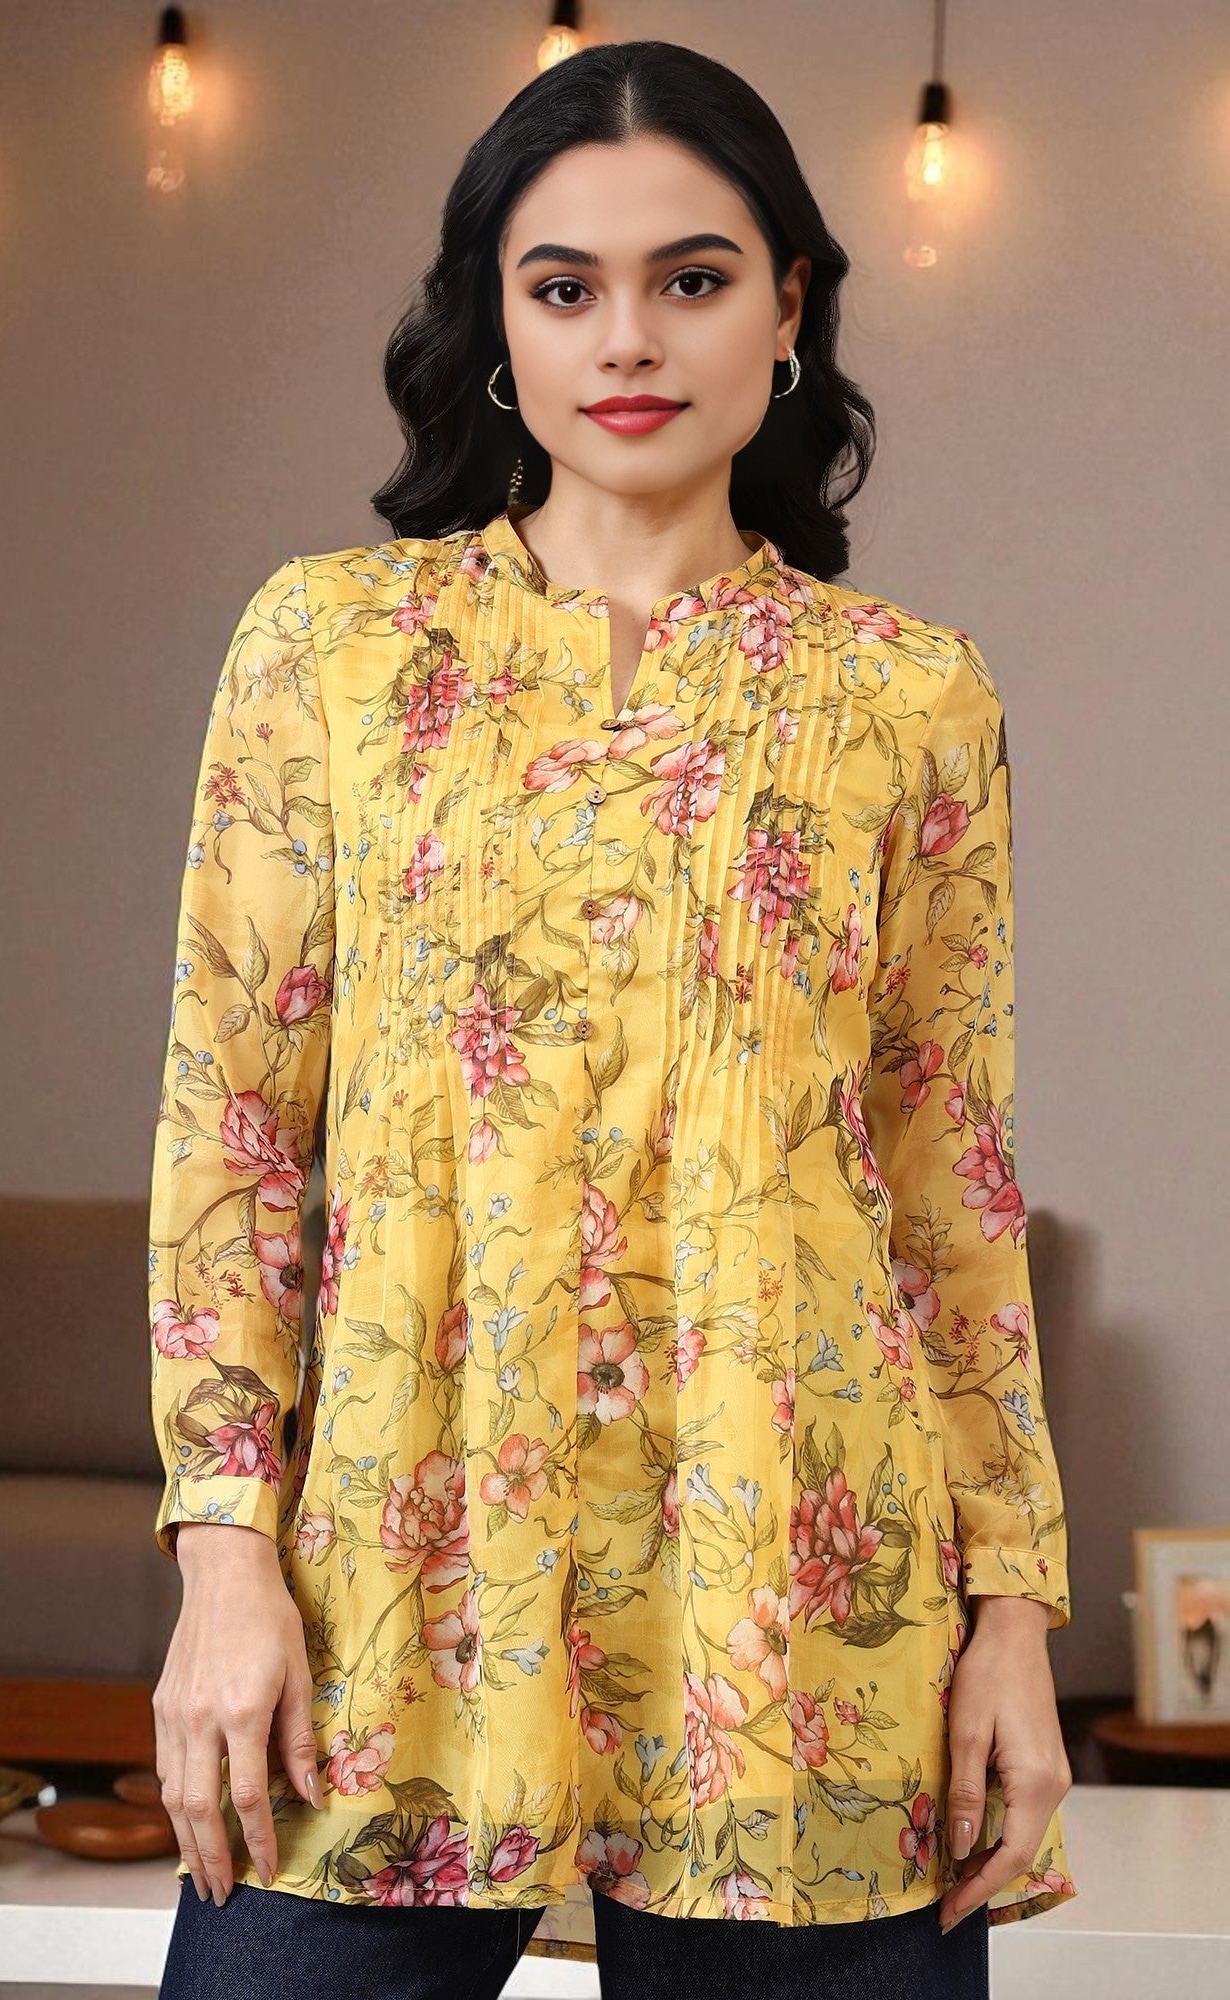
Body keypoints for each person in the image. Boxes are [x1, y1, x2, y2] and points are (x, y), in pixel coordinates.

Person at [147, 38, 1076, 2000]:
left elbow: (947, 1176)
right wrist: (222, 1551)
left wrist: (1009, 1612)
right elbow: (232, 1125)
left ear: (787, 308)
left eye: (692, 277)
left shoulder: (909, 696)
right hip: (395, 1597)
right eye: (562, 285)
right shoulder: (329, 649)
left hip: (806, 1617)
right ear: (495, 321)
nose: (627, 337)